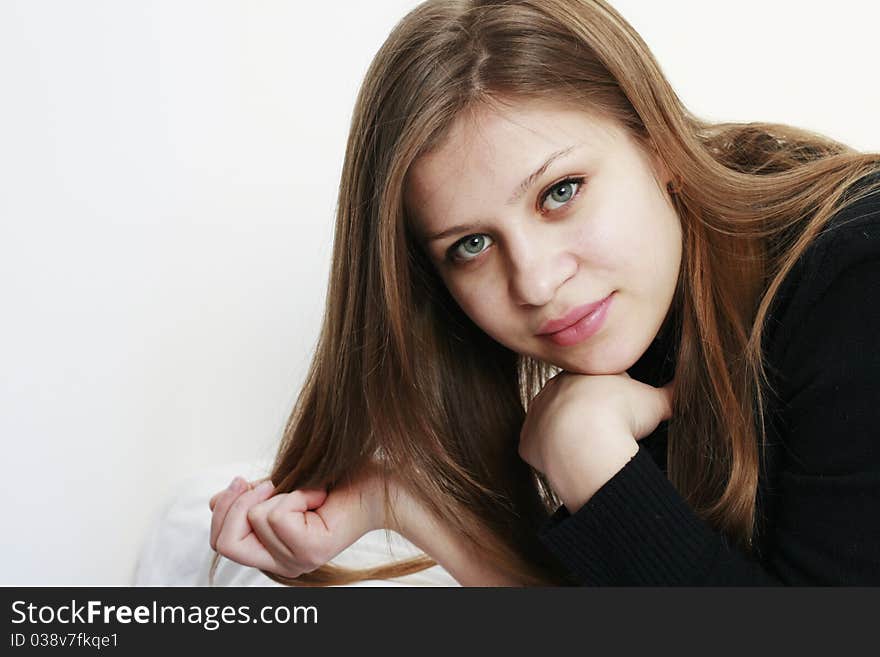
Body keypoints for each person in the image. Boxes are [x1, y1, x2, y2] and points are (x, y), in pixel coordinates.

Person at [207, 0, 880, 586]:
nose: (534, 281)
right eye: (470, 245)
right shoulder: (646, 325)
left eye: (560, 192)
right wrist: (405, 502)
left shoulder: (855, 272)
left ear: (658, 144)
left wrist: (592, 460)